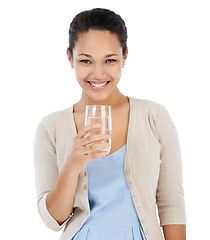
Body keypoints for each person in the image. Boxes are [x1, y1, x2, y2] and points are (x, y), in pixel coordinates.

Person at [33, 8, 187, 240]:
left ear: (124, 57)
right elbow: (54, 219)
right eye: (86, 60)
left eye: (110, 60)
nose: (98, 73)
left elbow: (171, 202)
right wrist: (74, 163)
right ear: (69, 58)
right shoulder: (50, 127)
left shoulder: (154, 116)